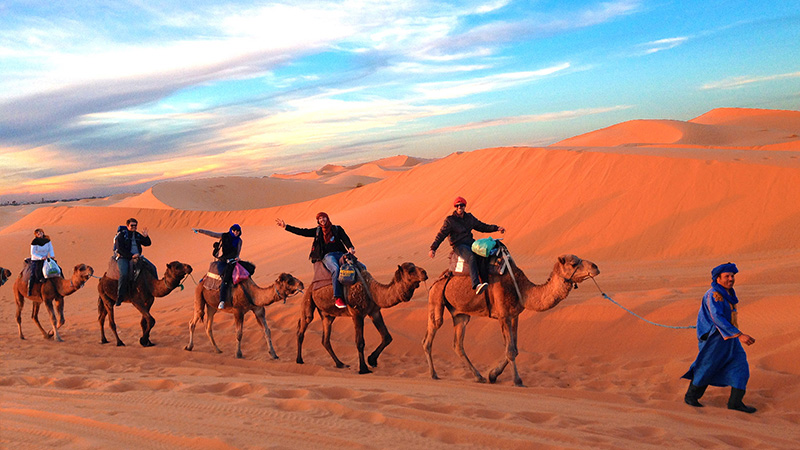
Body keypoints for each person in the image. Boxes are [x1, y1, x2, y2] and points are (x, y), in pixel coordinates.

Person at [682, 262, 757, 413]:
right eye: (727, 276)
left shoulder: (728, 294)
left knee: (741, 366)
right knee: (708, 366)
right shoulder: (713, 295)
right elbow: (717, 318)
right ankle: (691, 396)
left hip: (730, 338)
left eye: (732, 276)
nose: (731, 279)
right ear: (718, 279)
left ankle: (735, 403)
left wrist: (735, 335)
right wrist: (740, 335)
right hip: (714, 339)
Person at [276, 213, 354, 309]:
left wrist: (351, 247)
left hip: (341, 254)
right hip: (328, 256)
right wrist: (286, 226)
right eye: (320, 219)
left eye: (323, 218)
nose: (322, 220)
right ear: (318, 221)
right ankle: (338, 297)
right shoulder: (318, 231)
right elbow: (302, 232)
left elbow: (345, 239)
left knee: (360, 266)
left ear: (327, 218)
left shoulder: (337, 229)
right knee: (336, 269)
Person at [429, 196, 505, 294]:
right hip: (459, 245)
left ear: (465, 206)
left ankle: (485, 282)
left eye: (461, 205)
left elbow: (482, 226)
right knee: (471, 257)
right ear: (455, 207)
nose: (459, 207)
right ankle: (476, 284)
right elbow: (441, 234)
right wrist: (433, 248)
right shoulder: (450, 220)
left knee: (483, 254)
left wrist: (496, 228)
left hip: (471, 243)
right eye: (457, 206)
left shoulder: (469, 218)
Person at [192, 224, 243, 310]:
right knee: (225, 279)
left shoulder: (239, 241)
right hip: (223, 261)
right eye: (234, 231)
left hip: (233, 261)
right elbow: (212, 234)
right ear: (231, 230)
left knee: (246, 272)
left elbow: (237, 252)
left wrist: (237, 257)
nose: (236, 233)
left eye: (237, 231)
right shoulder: (224, 236)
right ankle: (222, 301)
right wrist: (200, 230)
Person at [114, 218, 152, 306]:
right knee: (124, 274)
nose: (134, 227)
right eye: (132, 225)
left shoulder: (137, 235)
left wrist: (146, 237)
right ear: (127, 226)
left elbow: (147, 244)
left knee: (152, 267)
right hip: (124, 258)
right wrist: (131, 256)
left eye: (135, 225)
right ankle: (120, 296)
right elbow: (120, 249)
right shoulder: (122, 235)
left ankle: (153, 289)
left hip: (138, 257)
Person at [29, 228, 56, 295]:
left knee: (57, 268)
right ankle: (30, 290)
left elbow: (51, 249)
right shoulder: (34, 242)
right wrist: (41, 257)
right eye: (38, 233)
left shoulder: (47, 240)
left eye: (40, 233)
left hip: (46, 258)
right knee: (33, 274)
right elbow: (33, 253)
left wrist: (52, 255)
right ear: (36, 235)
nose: (39, 234)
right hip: (36, 259)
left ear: (43, 233)